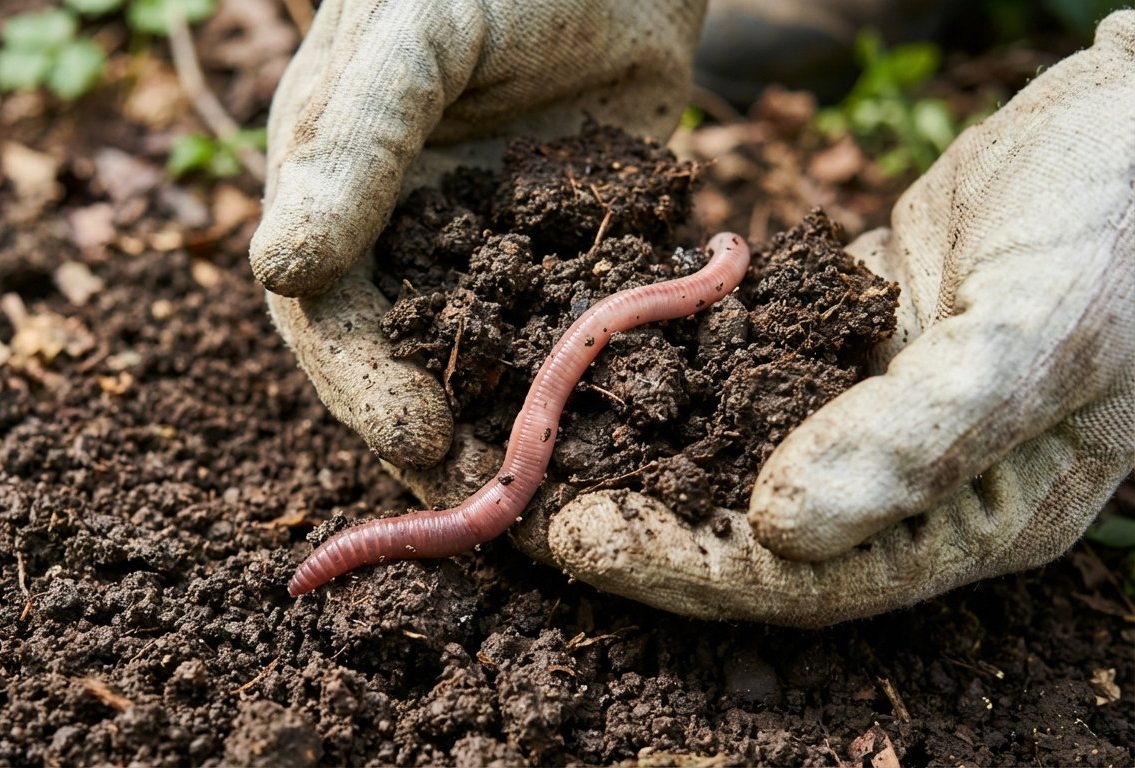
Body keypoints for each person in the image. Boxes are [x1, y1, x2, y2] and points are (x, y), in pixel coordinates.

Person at [248, 1, 1135, 626]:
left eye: (720, 264)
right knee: (500, 481)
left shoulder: (696, 285)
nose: (722, 263)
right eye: (717, 264)